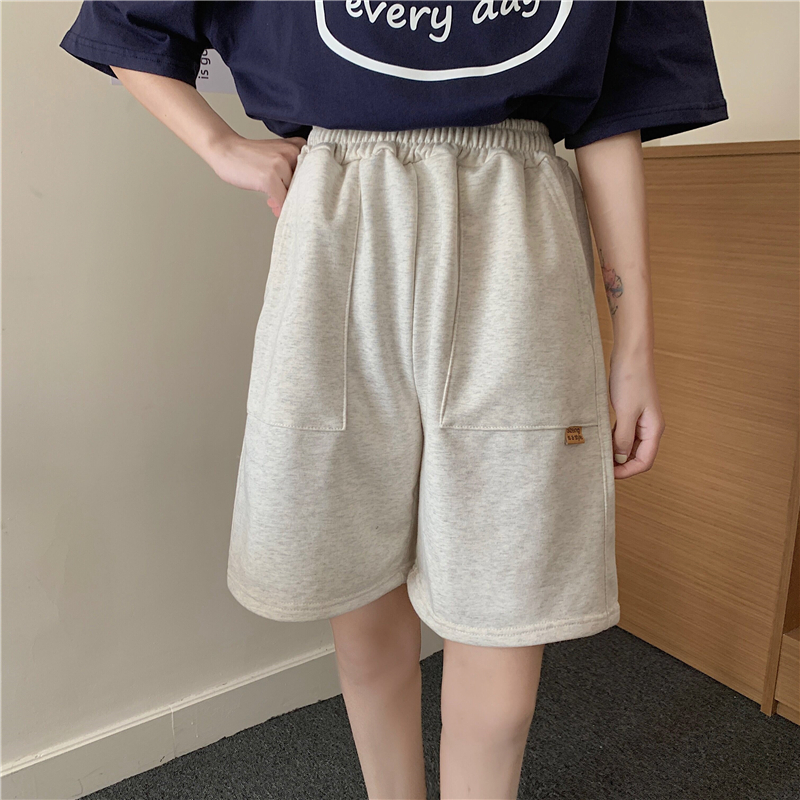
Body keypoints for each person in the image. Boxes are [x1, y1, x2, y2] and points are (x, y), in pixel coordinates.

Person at [59, 2, 728, 798]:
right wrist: (219, 145)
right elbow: (126, 19)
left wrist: (636, 345)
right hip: (340, 224)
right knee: (360, 599)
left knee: (507, 610)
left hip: (518, 229)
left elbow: (617, 107)